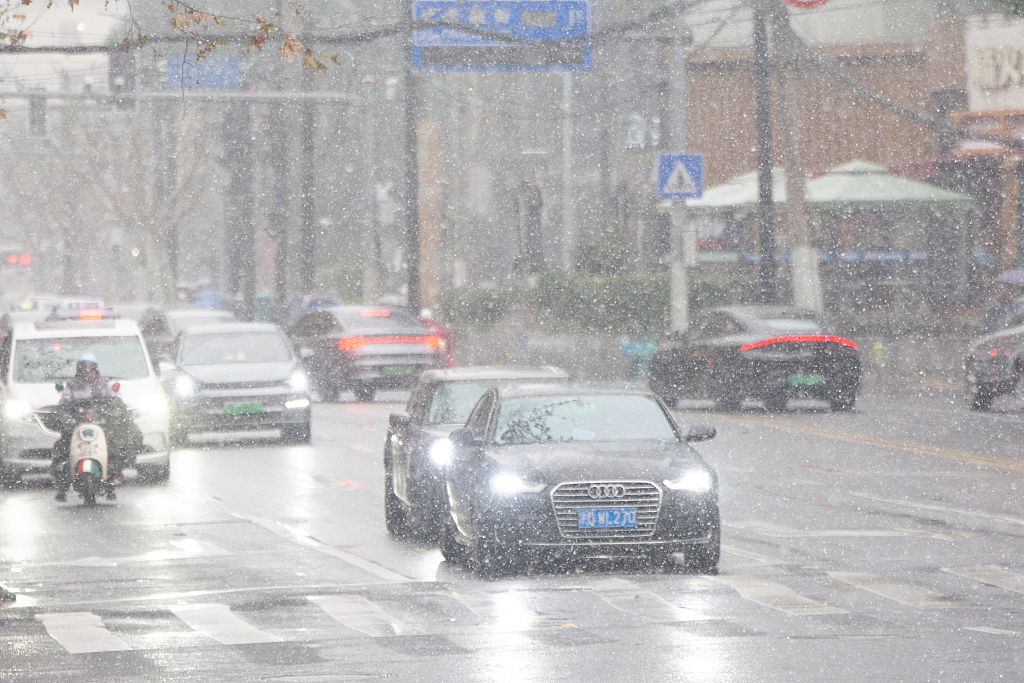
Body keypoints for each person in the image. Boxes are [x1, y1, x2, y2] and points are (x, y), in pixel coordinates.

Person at [51, 354, 142, 502]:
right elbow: (64, 404)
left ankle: (113, 477)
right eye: (83, 370)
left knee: (114, 447)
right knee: (62, 449)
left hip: (102, 425)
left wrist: (113, 413)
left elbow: (116, 400)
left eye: (90, 369)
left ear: (95, 369)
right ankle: (62, 486)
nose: (87, 373)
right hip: (77, 426)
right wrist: (66, 417)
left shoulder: (105, 383)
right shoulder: (72, 385)